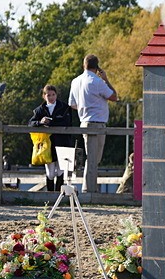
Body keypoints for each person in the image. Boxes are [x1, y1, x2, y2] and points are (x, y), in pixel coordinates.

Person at [69, 55, 118, 197]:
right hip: (97, 123)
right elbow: (114, 96)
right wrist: (106, 79)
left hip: (84, 122)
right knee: (94, 158)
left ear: (84, 65)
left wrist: (84, 107)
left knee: (91, 157)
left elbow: (72, 104)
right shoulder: (97, 81)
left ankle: (89, 186)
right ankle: (88, 188)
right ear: (97, 67)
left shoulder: (75, 81)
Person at [28, 84, 75, 192]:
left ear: (56, 95)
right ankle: (49, 195)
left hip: (63, 142)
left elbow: (67, 122)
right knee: (50, 173)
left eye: (53, 94)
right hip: (48, 146)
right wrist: (40, 122)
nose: (51, 97)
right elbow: (30, 123)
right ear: (44, 96)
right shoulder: (39, 110)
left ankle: (58, 194)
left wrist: (51, 122)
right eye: (48, 95)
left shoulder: (65, 107)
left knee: (60, 171)